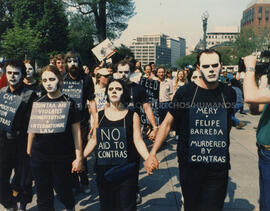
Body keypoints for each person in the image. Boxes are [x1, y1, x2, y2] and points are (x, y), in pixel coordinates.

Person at [145, 49, 236, 211]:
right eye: (206, 66)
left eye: (215, 65)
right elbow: (166, 124)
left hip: (218, 165)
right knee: (192, 206)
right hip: (190, 165)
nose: (211, 69)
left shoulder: (228, 94)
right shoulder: (185, 93)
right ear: (198, 68)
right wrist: (152, 154)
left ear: (221, 66)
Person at [83, 78, 151, 211]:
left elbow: (138, 140)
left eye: (118, 89)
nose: (114, 91)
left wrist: (149, 158)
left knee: (127, 205)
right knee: (107, 206)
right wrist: (81, 158)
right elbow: (94, 140)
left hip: (126, 171)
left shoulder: (133, 116)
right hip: (104, 171)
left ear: (124, 92)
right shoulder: (99, 115)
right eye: (111, 89)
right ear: (107, 93)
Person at [27, 65, 83, 211]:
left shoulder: (69, 103)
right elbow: (32, 130)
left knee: (64, 192)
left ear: (59, 79)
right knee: (43, 196)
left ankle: (70, 206)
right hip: (39, 157)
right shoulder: (38, 103)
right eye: (45, 80)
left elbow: (76, 133)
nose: (48, 83)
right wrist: (29, 152)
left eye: (52, 79)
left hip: (62, 157)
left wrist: (79, 157)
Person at [0, 59, 37, 211]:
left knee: (24, 181)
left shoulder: (30, 95)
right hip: (4, 143)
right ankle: (10, 203)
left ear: (22, 75)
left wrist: (29, 148)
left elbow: (33, 125)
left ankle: (23, 204)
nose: (12, 76)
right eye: (9, 72)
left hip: (22, 143)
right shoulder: (1, 93)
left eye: (16, 73)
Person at [63, 51, 97, 194]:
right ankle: (72, 182)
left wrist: (96, 120)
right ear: (66, 63)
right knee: (68, 152)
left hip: (82, 122)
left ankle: (84, 181)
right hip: (65, 123)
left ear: (79, 63)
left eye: (75, 61)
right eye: (69, 61)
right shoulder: (62, 79)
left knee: (81, 152)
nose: (72, 64)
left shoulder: (87, 79)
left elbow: (92, 100)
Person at [243, 55, 270, 211]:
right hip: (264, 152)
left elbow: (250, 96)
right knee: (265, 201)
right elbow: (256, 108)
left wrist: (250, 67)